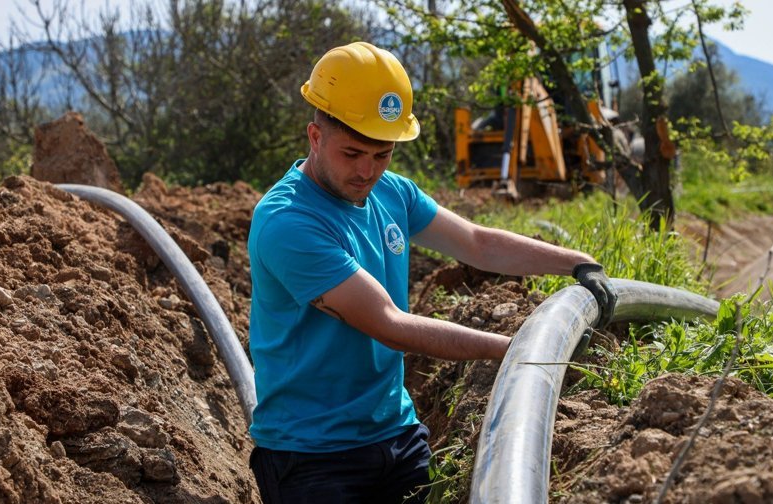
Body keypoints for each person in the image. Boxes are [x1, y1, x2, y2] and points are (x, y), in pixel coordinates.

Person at [246, 41, 616, 504]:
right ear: (315, 137)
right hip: (312, 458)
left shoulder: (393, 192)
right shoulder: (288, 223)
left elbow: (476, 243)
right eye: (353, 153)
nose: (367, 171)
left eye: (382, 155)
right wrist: (521, 351)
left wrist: (576, 262)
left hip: (397, 434)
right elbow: (389, 325)